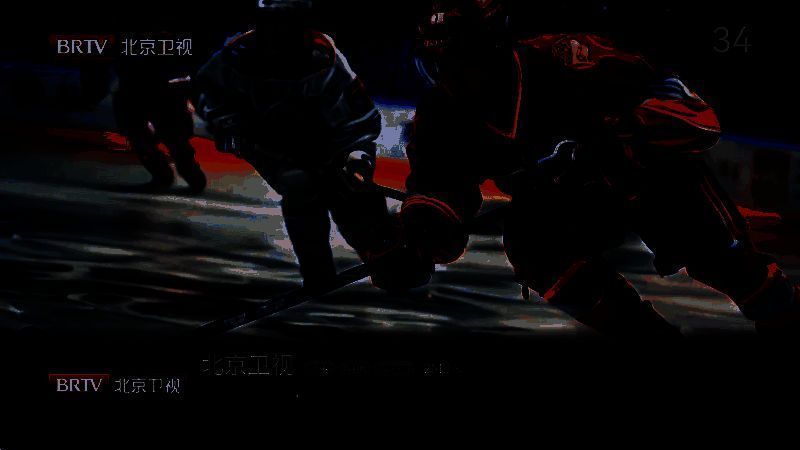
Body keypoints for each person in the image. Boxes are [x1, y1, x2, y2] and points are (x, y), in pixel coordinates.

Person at [399, 0, 799, 337]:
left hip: (646, 181)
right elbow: (437, 194)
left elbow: (698, 117)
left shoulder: (571, 58)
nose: (453, 78)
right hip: (564, 207)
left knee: (730, 264)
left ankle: (781, 309)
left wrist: (630, 128)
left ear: (496, 47)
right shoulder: (439, 115)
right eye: (439, 64)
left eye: (464, 60)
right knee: (531, 246)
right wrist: (418, 241)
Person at [195, 0, 402, 290]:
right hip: (273, 148)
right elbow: (206, 94)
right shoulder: (235, 58)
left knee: (352, 194)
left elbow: (359, 118)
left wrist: (357, 158)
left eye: (288, 25)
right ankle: (318, 270)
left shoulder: (324, 58)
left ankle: (383, 253)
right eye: (273, 24)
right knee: (301, 189)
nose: (280, 36)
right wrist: (237, 130)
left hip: (330, 144)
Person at [113, 40, 207, 194]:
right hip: (140, 87)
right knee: (142, 137)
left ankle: (187, 175)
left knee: (172, 138)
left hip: (162, 88)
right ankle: (169, 176)